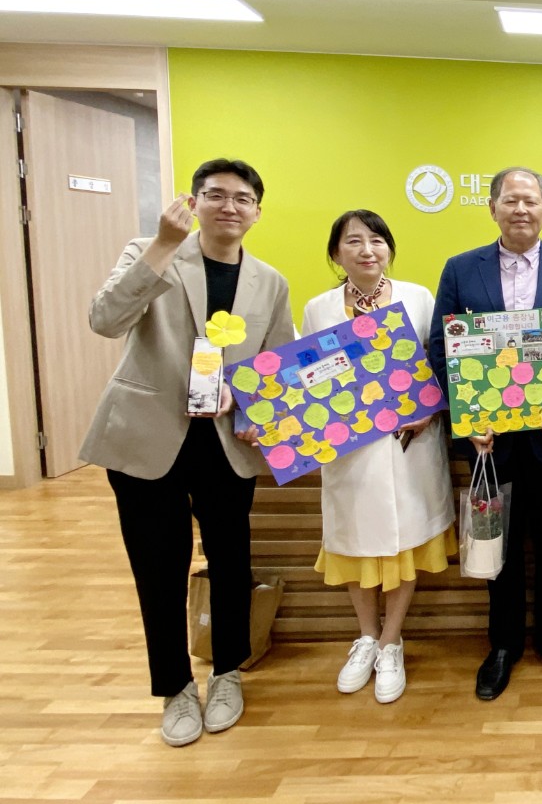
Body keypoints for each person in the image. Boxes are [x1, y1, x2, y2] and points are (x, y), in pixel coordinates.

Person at [80, 159, 293, 747]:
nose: (230, 206)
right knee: (158, 566)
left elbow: (275, 364)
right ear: (193, 202)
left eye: (242, 198)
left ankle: (227, 673)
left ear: (257, 211)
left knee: (231, 562)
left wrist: (244, 398)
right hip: (147, 436)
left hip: (224, 444)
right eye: (215, 195)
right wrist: (161, 244)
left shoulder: (269, 281)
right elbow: (105, 320)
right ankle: (174, 686)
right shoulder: (152, 252)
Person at [427, 167, 542, 702]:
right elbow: (440, 347)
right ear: (492, 208)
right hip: (490, 441)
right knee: (494, 541)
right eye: (510, 200)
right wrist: (468, 417)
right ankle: (502, 644)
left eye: (530, 200)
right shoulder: (461, 268)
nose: (520, 209)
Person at [302, 209, 455, 705]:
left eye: (376, 240)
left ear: (389, 249)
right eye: (353, 241)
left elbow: (440, 362)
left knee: (404, 542)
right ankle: (366, 636)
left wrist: (430, 407)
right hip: (351, 452)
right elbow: (309, 380)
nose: (367, 250)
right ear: (336, 253)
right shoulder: (319, 309)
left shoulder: (418, 297)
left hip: (410, 446)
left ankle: (391, 642)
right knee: (356, 542)